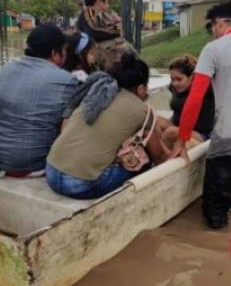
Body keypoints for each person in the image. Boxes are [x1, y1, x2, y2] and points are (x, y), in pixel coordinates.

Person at [171, 1, 231, 229]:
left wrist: (181, 139)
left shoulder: (213, 49)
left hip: (227, 149)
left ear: (220, 23)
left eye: (212, 27)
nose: (213, 33)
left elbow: (195, 98)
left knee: (215, 220)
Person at [46, 53, 169, 199]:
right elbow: (159, 156)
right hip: (79, 185)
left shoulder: (97, 93)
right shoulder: (142, 110)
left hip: (51, 172)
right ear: (141, 88)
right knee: (143, 159)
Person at [0, 23, 80, 177]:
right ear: (55, 53)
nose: (66, 55)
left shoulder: (7, 69)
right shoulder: (66, 80)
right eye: (64, 50)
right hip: (32, 164)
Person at [158, 54, 215, 148]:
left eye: (179, 79)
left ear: (191, 77)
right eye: (172, 79)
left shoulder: (206, 89)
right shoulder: (173, 87)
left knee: (170, 132)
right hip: (176, 126)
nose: (175, 83)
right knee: (154, 120)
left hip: (200, 134)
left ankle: (162, 158)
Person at [77, 0, 133, 71]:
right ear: (99, 1)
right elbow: (94, 31)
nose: (108, 6)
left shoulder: (100, 14)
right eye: (108, 2)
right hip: (92, 59)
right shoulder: (88, 12)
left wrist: (117, 23)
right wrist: (117, 30)